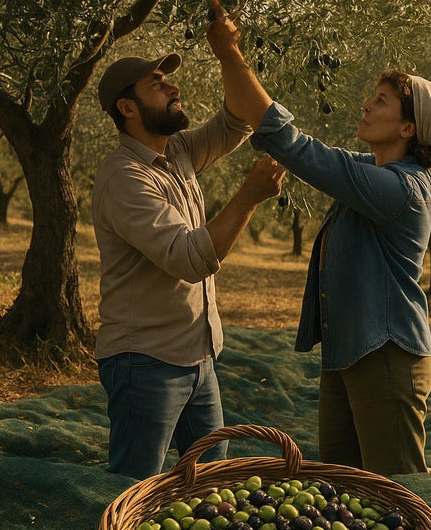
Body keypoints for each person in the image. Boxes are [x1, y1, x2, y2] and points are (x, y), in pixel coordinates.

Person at [205, 0, 431, 475]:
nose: (367, 103)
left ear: (409, 127)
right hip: (350, 353)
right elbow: (284, 136)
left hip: (387, 358)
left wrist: (231, 55)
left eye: (381, 100)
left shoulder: (399, 188)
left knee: (397, 498)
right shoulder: (376, 170)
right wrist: (228, 59)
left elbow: (296, 147)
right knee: (344, 491)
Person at [92, 53, 286, 479]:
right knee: (134, 488)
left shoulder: (178, 152)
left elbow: (235, 120)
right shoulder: (124, 177)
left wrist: (228, 52)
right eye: (157, 84)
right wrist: (248, 197)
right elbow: (189, 258)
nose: (172, 88)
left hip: (198, 357)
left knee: (212, 484)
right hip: (145, 362)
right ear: (127, 108)